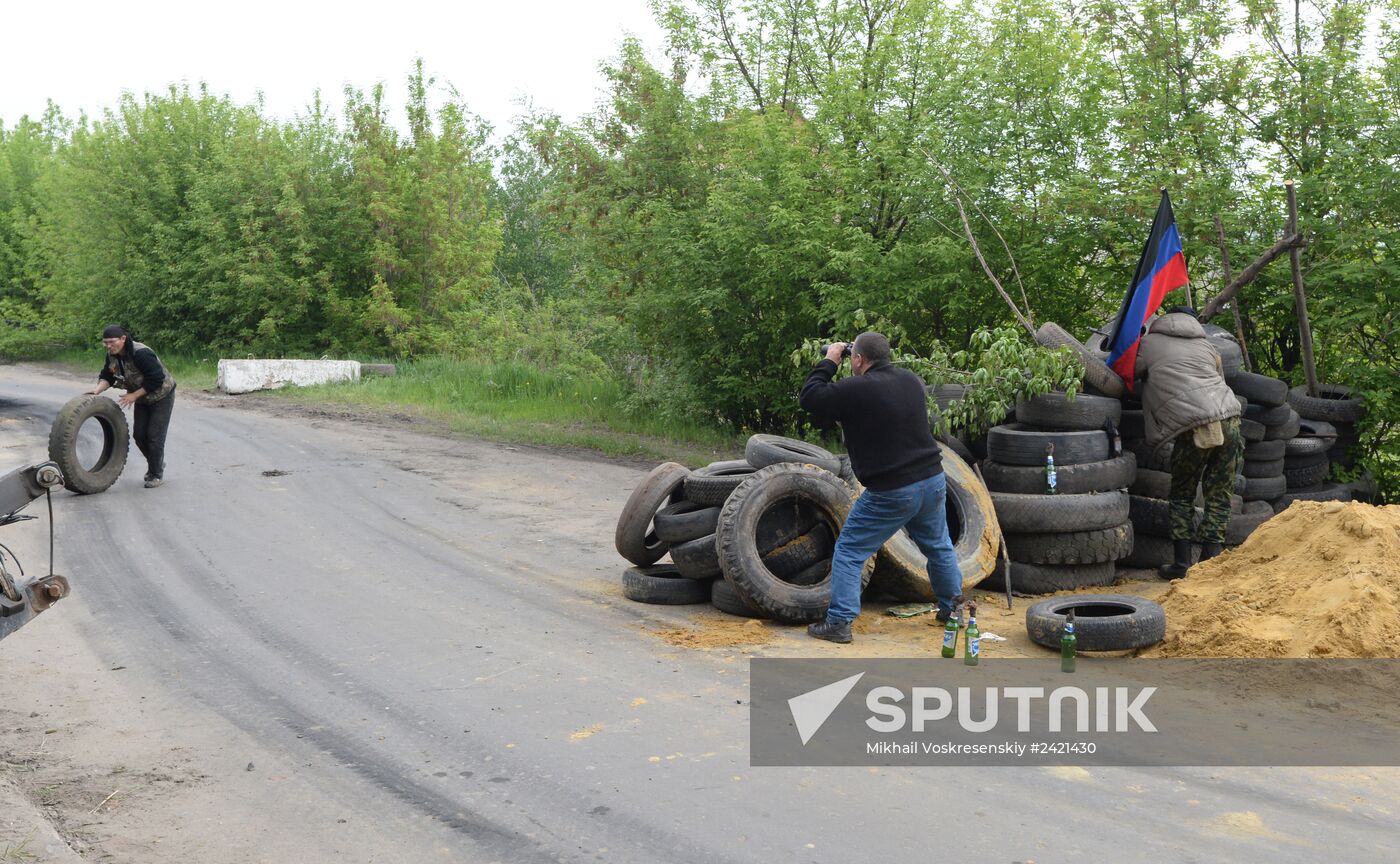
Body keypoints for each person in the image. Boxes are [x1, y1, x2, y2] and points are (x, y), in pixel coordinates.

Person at [798, 332, 962, 643]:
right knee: (939, 547)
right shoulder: (910, 380)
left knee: (849, 550)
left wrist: (831, 359)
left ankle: (839, 623)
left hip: (893, 490)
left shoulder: (856, 388)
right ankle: (953, 611)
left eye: (852, 356)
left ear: (857, 359)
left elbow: (810, 398)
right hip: (932, 479)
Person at [1135, 306, 1242, 577]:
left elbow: (1131, 373)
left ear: (1166, 319)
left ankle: (1182, 564)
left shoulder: (1149, 342)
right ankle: (1210, 563)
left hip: (1194, 423)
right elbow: (1220, 380)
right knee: (1220, 493)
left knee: (1182, 493)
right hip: (1229, 417)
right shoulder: (1207, 346)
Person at [87, 325, 176, 488]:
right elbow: (108, 375)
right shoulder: (112, 355)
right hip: (143, 397)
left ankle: (156, 474)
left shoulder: (141, 353)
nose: (108, 346)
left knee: (154, 437)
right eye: (105, 343)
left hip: (162, 395)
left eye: (112, 342)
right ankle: (157, 463)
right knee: (139, 435)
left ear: (123, 339)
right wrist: (96, 390)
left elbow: (157, 378)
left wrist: (133, 396)